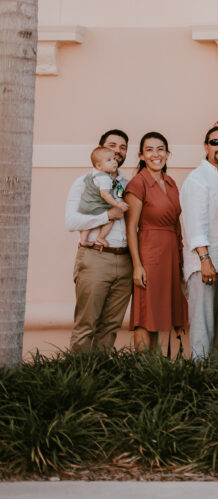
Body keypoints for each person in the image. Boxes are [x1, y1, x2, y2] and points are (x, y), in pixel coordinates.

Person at [66, 129, 132, 352]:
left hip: (124, 261)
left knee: (111, 326)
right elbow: (71, 221)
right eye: (112, 145)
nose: (118, 151)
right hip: (95, 257)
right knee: (86, 325)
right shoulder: (85, 182)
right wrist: (106, 216)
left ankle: (101, 377)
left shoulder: (126, 182)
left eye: (122, 147)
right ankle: (79, 381)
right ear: (101, 149)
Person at [125, 132, 186, 353]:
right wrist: (137, 265)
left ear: (168, 154)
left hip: (170, 252)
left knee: (163, 310)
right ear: (141, 155)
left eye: (160, 149)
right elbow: (131, 226)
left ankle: (159, 365)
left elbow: (177, 221)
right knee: (145, 312)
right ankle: (142, 368)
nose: (155, 154)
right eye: (149, 150)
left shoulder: (170, 182)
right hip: (149, 251)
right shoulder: (138, 183)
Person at [179, 126, 218, 359]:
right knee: (203, 324)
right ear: (206, 147)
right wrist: (204, 259)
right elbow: (194, 223)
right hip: (205, 264)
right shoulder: (198, 179)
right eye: (214, 142)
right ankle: (199, 377)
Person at [76, 146, 128, 248]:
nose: (114, 162)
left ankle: (83, 239)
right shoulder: (104, 178)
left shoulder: (93, 176)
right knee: (110, 219)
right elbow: (105, 194)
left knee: (88, 222)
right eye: (109, 160)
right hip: (96, 206)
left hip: (86, 206)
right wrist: (117, 204)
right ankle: (101, 237)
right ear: (99, 166)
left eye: (113, 159)